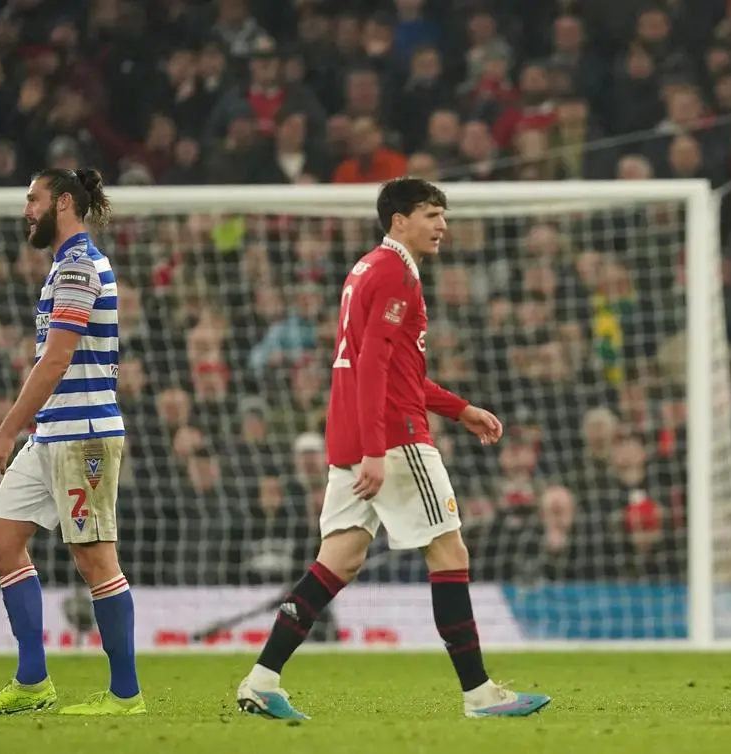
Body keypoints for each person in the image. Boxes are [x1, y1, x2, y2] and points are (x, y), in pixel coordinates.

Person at [234, 177, 551, 720]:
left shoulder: (366, 270)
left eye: (444, 215)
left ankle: (261, 680)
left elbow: (395, 370)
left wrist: (459, 408)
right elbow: (374, 366)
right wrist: (379, 449)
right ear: (398, 219)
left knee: (338, 561)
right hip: (395, 439)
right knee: (450, 554)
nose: (442, 225)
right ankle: (479, 694)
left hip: (353, 436)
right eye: (431, 214)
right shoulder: (396, 274)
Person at [0, 168, 143, 715]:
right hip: (53, 432)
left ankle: (124, 695)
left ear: (63, 202)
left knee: (94, 559)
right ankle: (32, 682)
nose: (26, 210)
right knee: (2, 542)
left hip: (83, 436)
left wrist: (5, 430)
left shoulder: (79, 266)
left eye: (33, 199)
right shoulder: (60, 268)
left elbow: (59, 358)